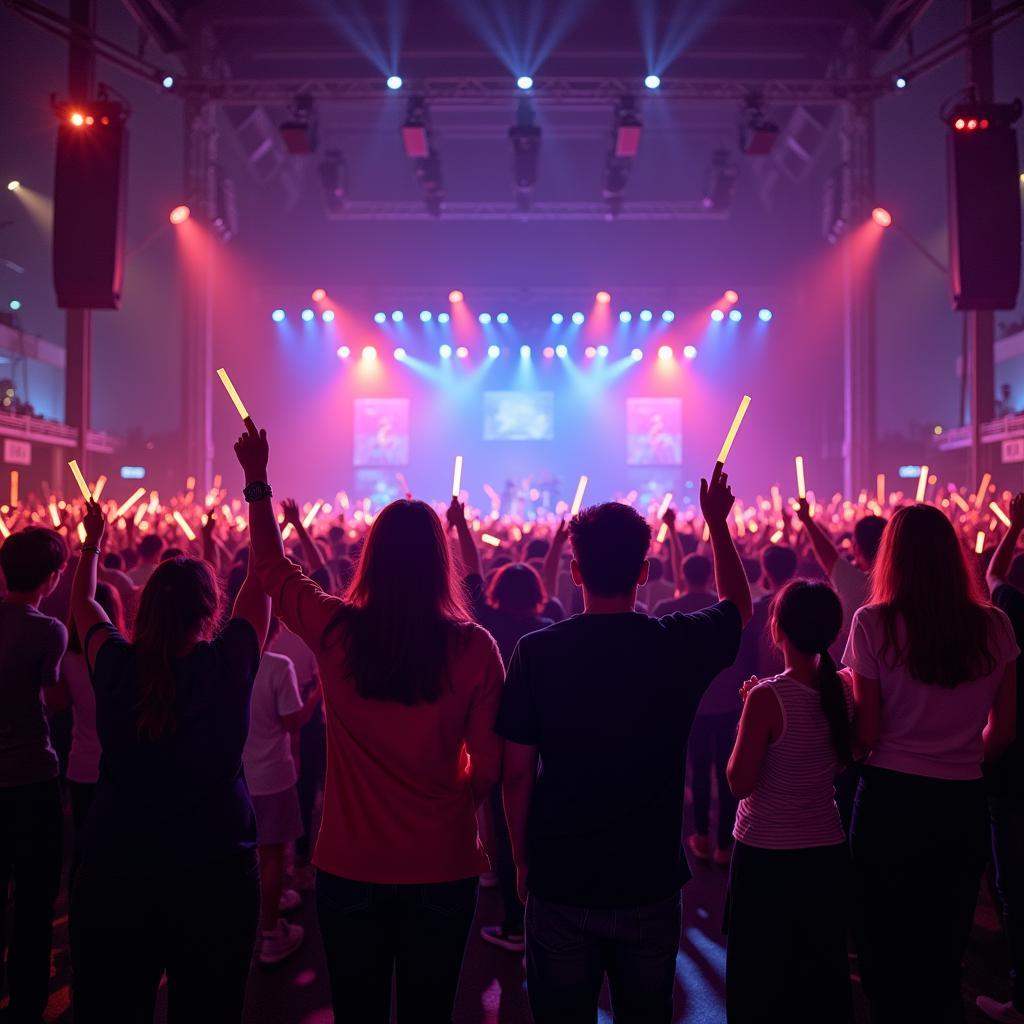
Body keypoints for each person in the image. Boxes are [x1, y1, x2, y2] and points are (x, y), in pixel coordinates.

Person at [236, 422, 504, 1023]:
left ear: (373, 558)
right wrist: (446, 799)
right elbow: (488, 769)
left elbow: (271, 569)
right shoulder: (476, 648)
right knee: (428, 1011)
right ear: (440, 563)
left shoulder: (336, 632)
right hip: (442, 860)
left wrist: (257, 481)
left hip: (350, 864)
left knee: (357, 1013)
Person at [498, 465, 752, 1024]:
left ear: (574, 571)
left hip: (560, 875)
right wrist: (717, 525)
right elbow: (739, 606)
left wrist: (520, 856)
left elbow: (515, 774)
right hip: (648, 877)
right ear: (643, 573)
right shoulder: (676, 643)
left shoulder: (536, 653)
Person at [69, 500, 270, 1023]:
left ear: (146, 605)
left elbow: (85, 602)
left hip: (117, 867)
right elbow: (263, 579)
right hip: (215, 869)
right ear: (209, 612)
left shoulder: (113, 663)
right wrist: (257, 486)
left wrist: (92, 540)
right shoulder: (227, 665)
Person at [845, 503, 1018, 1024]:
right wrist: (960, 759)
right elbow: (1004, 729)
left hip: (889, 800)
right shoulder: (995, 624)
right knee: (945, 949)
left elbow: (868, 732)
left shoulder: (872, 623)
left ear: (890, 558)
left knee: (884, 948)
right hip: (961, 800)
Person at [725, 580, 854, 1023]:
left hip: (766, 855)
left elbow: (739, 783)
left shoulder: (766, 696)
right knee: (818, 974)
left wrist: (749, 716)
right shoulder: (846, 690)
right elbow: (838, 761)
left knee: (760, 978)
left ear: (776, 628)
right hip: (824, 849)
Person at [449, 505, 552, 954]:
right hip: (542, 741)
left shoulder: (485, 623)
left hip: (494, 737)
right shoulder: (550, 629)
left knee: (506, 824)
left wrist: (460, 526)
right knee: (539, 821)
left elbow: (471, 574)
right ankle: (542, 914)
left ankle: (514, 920)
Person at [0, 526, 68, 1022]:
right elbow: (57, 701)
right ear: (50, 577)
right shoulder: (49, 631)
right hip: (33, 778)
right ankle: (27, 1003)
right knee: (35, 900)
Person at [242, 615, 318, 965]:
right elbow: (292, 721)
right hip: (272, 772)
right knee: (272, 855)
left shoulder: (225, 661)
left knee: (247, 852)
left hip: (238, 774)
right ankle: (271, 933)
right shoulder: (277, 666)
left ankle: (259, 910)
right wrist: (317, 693)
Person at [978, 493, 1024, 1023]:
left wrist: (1013, 527)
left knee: (1014, 885)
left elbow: (994, 573)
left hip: (1011, 778)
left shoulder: (1008, 616)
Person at [55, 582, 124, 846]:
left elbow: (58, 703)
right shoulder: (126, 657)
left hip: (81, 764)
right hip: (118, 765)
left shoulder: (66, 659)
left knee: (85, 848)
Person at [797, 499, 885, 657]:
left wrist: (807, 520)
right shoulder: (909, 584)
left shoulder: (855, 582)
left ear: (856, 548)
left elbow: (829, 557)